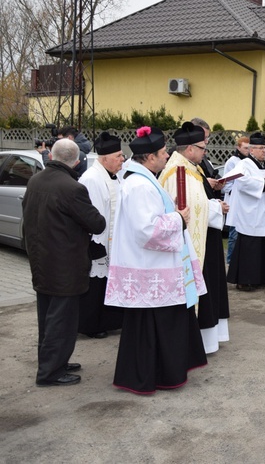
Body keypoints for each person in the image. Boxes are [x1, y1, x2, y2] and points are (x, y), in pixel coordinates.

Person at [104, 126, 207, 395]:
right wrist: (178, 218)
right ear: (149, 157)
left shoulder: (145, 179)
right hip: (150, 268)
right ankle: (154, 375)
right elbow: (146, 230)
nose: (166, 156)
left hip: (154, 267)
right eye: (163, 153)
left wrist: (169, 209)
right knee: (152, 326)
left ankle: (160, 373)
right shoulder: (139, 185)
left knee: (154, 324)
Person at [22, 139, 106, 387]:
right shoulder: (72, 188)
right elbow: (97, 223)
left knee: (47, 317)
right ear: (77, 161)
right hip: (64, 265)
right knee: (62, 320)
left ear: (52, 156)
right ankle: (50, 373)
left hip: (41, 261)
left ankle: (52, 361)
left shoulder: (36, 180)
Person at [160, 121, 230, 354]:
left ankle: (209, 337)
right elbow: (189, 208)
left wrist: (214, 205)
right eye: (202, 147)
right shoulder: (177, 171)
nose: (205, 152)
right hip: (192, 242)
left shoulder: (191, 168)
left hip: (206, 236)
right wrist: (217, 208)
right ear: (190, 149)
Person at [77, 132, 125, 339]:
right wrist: (97, 243)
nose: (123, 160)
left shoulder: (115, 176)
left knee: (108, 282)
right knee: (96, 284)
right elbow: (93, 213)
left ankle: (109, 321)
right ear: (104, 159)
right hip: (99, 241)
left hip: (113, 240)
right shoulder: (92, 178)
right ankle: (91, 325)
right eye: (119, 156)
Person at [226, 132, 265, 291]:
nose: (264, 151)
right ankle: (244, 280)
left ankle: (262, 277)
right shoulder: (244, 164)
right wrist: (264, 182)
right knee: (250, 247)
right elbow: (241, 181)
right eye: (261, 148)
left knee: (264, 246)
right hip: (251, 213)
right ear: (251, 150)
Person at [222, 135, 251, 264]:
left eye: (249, 148)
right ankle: (230, 260)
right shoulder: (232, 162)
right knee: (234, 233)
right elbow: (226, 185)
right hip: (234, 201)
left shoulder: (249, 161)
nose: (248, 151)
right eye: (245, 148)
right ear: (238, 147)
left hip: (245, 202)